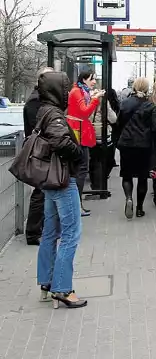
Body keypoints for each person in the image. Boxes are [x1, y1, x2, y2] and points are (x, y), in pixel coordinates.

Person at [36, 71, 87, 309]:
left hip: (50, 180)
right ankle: (63, 288)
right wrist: (78, 153)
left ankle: (46, 282)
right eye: (65, 89)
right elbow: (60, 142)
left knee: (49, 232)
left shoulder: (43, 110)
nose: (67, 93)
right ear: (58, 91)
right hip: (63, 180)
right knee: (70, 234)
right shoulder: (55, 115)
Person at [23, 65, 54, 245]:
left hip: (42, 151)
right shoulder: (35, 102)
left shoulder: (41, 99)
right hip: (39, 152)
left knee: (43, 191)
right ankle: (33, 233)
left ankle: (40, 228)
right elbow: (40, 128)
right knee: (40, 192)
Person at [67, 69, 104, 217]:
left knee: (81, 169)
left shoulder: (79, 91)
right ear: (84, 79)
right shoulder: (77, 92)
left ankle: (77, 204)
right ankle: (77, 206)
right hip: (78, 134)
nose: (94, 82)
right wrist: (96, 99)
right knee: (81, 170)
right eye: (92, 79)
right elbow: (84, 112)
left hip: (80, 132)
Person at [117, 77, 154, 218]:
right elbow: (154, 127)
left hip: (126, 144)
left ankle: (128, 198)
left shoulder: (125, 103)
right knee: (143, 177)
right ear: (146, 89)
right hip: (144, 145)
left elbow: (119, 123)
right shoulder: (149, 105)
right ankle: (139, 208)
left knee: (127, 175)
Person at [88, 89, 117, 193]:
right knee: (106, 159)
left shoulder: (87, 102)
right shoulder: (104, 103)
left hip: (90, 135)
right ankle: (101, 183)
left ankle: (95, 184)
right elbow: (113, 119)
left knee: (94, 160)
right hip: (102, 135)